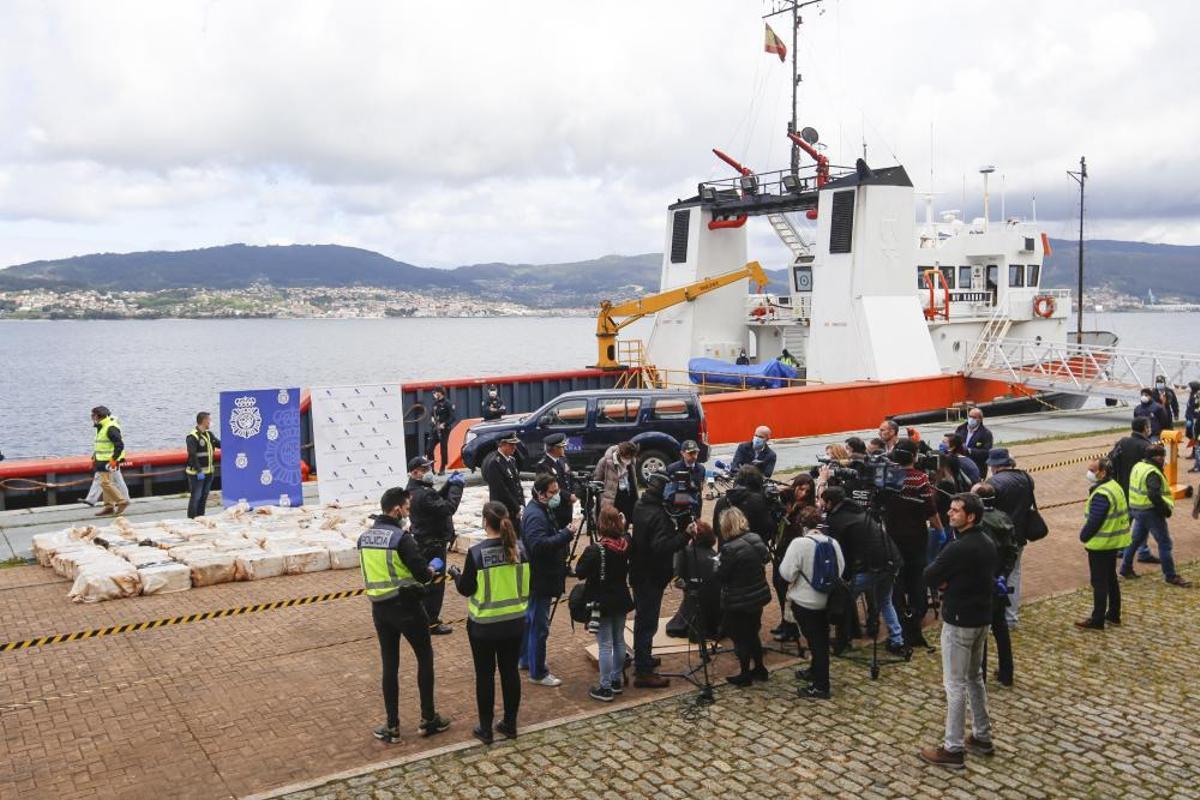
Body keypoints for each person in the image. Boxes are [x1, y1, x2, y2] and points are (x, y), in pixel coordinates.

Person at [358, 487, 450, 744]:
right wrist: (432, 568)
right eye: (407, 509)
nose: (408, 513)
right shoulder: (401, 538)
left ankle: (392, 726)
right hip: (407, 607)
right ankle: (428, 718)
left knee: (390, 665)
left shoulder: (364, 538)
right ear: (397, 509)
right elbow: (422, 574)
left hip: (379, 608)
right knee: (424, 657)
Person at [920, 493, 998, 769]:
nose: (950, 514)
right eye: (950, 510)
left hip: (959, 620)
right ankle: (982, 734)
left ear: (971, 516)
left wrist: (945, 583)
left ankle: (952, 748)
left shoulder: (959, 548)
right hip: (981, 617)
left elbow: (929, 575)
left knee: (954, 684)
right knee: (974, 677)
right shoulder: (986, 542)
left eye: (955, 511)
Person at [451, 501, 528, 744]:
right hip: (514, 622)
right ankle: (510, 724)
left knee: (485, 676)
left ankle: (485, 729)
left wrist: (455, 575)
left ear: (485, 522)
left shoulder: (477, 553)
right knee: (510, 673)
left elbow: (466, 589)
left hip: (483, 626)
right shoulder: (520, 550)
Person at [821, 485, 905, 654]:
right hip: (891, 560)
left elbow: (841, 552)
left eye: (823, 502)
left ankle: (843, 640)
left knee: (843, 600)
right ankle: (897, 640)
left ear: (830, 502)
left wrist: (844, 577)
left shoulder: (836, 520)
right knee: (885, 601)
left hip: (871, 566)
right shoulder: (858, 511)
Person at [629, 472, 690, 688]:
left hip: (640, 571)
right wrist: (685, 535)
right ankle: (643, 671)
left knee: (643, 620)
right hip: (651, 575)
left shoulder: (640, 505)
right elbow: (662, 547)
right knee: (647, 623)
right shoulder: (659, 515)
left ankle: (643, 658)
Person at [779, 505, 846, 699]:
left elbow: (786, 573)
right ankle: (814, 670)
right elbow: (840, 568)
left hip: (805, 601)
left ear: (802, 525)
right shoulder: (832, 542)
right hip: (827, 599)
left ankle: (821, 686)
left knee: (817, 643)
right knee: (819, 639)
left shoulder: (799, 544)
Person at [883, 440, 941, 649]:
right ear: (914, 456)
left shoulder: (888, 477)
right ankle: (917, 613)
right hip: (916, 536)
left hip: (892, 535)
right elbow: (930, 510)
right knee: (917, 576)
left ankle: (900, 613)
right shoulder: (920, 478)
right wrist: (940, 529)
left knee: (897, 578)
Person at [518, 474, 575, 686]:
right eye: (553, 492)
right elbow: (539, 546)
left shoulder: (540, 509)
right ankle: (538, 672)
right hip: (540, 578)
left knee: (531, 621)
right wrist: (565, 535)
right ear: (541, 494)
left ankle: (527, 659)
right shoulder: (535, 515)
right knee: (539, 625)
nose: (556, 495)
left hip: (540, 577)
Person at [574, 506, 635, 702]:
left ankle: (605, 686)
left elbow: (580, 572)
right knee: (619, 641)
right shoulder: (625, 544)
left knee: (605, 645)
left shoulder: (595, 550)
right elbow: (627, 536)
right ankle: (616, 679)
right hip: (621, 597)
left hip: (602, 601)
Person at [406, 456, 465, 635]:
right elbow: (448, 508)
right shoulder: (423, 494)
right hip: (433, 544)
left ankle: (421, 618)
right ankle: (431, 622)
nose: (429, 472)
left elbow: (436, 499)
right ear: (415, 472)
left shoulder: (413, 489)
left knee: (424, 581)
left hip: (423, 541)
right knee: (435, 585)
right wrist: (457, 487)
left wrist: (447, 484)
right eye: (424, 470)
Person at [715, 507, 771, 686]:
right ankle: (760, 668)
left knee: (740, 636)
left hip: (738, 598)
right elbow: (766, 558)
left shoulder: (729, 548)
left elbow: (722, 575)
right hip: (757, 594)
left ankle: (745, 673)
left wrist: (716, 565)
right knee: (753, 633)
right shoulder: (755, 538)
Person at [1120, 445, 1191, 586]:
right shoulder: (1152, 472)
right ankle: (1170, 575)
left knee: (1135, 540)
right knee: (1165, 543)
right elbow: (1153, 494)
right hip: (1150, 511)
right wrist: (1164, 509)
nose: (1164, 459)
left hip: (1136, 508)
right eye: (1162, 456)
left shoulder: (1139, 466)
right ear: (1156, 457)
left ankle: (1125, 568)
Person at [1074, 458, 1131, 630]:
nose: (1089, 473)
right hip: (1113, 541)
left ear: (1103, 472)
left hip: (1101, 543)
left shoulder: (1102, 493)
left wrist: (1084, 536)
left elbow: (1095, 520)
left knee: (1099, 582)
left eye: (1092, 470)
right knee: (1111, 579)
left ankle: (1097, 619)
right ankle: (1113, 614)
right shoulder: (1114, 486)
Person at [985, 448, 1038, 630]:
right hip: (1019, 534)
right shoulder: (1026, 478)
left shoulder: (993, 483)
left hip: (997, 537)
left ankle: (993, 618)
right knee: (1014, 574)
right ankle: (1011, 617)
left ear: (994, 466)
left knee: (993, 576)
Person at [972, 483, 1018, 687]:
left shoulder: (979, 523)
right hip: (999, 580)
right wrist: (1004, 575)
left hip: (983, 583)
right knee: (1000, 628)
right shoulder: (1004, 518)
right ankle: (1007, 672)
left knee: (980, 633)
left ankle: (979, 677)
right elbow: (1012, 552)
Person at [769, 474, 815, 643]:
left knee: (786, 590)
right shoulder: (789, 501)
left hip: (792, 553)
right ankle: (785, 621)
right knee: (778, 585)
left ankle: (791, 628)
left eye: (807, 491)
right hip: (781, 549)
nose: (803, 493)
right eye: (800, 489)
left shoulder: (805, 510)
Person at [1108, 418, 1160, 565]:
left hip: (1123, 487)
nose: (1150, 429)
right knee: (1142, 522)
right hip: (1140, 491)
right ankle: (1142, 551)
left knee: (1126, 520)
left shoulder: (1122, 442)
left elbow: (1111, 459)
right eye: (1148, 426)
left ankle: (1121, 548)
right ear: (1145, 428)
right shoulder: (1147, 447)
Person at [665, 520, 721, 641]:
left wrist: (687, 584)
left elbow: (677, 579)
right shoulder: (715, 554)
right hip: (715, 609)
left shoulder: (686, 551)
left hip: (696, 602)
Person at [713, 465, 775, 543]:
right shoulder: (758, 501)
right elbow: (768, 528)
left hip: (725, 548)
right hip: (753, 548)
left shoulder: (721, 501)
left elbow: (716, 530)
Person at [89, 406, 129, 517]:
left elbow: (119, 445)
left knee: (104, 483)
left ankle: (122, 501)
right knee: (106, 482)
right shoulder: (101, 426)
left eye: (93, 415)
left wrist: (114, 459)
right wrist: (95, 456)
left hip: (108, 460)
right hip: (101, 459)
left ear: (98, 416)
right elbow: (101, 445)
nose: (92, 417)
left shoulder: (110, 427)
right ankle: (109, 507)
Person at [483, 434, 524, 532]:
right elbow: (501, 490)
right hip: (504, 511)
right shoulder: (495, 463)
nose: (514, 447)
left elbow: (517, 485)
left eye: (515, 444)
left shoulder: (512, 460)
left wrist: (522, 504)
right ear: (502, 444)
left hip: (515, 511)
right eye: (511, 445)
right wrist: (517, 508)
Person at [534, 433, 575, 529]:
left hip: (567, 505)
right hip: (555, 505)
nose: (564, 449)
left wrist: (573, 493)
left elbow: (569, 478)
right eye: (562, 447)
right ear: (554, 449)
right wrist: (568, 496)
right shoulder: (543, 465)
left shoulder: (563, 459)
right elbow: (550, 487)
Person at [185, 411, 220, 519]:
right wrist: (199, 471)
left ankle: (201, 517)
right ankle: (191, 518)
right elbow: (192, 455)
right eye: (209, 420)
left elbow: (219, 444)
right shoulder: (193, 437)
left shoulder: (209, 434)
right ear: (204, 421)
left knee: (204, 496)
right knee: (196, 496)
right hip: (196, 474)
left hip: (209, 472)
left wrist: (234, 441)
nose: (210, 422)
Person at [594, 441, 639, 523]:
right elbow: (597, 481)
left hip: (627, 495)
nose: (628, 460)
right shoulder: (605, 462)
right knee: (611, 523)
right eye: (626, 457)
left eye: (630, 457)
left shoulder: (631, 462)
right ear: (620, 454)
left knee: (625, 521)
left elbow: (633, 479)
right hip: (611, 498)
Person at [666, 439, 706, 517]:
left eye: (696, 453)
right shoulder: (672, 469)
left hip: (694, 511)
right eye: (690, 453)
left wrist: (697, 516)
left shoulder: (701, 469)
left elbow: (699, 493)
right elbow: (668, 494)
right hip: (676, 510)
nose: (694, 456)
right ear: (682, 453)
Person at [426, 387, 456, 475]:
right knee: (429, 449)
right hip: (435, 428)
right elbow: (432, 415)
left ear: (440, 393)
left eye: (436, 392)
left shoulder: (448, 403)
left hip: (444, 429)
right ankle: (431, 468)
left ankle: (442, 467)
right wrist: (432, 420)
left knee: (443, 448)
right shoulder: (435, 404)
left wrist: (444, 424)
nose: (434, 394)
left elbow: (453, 417)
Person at [954, 408, 993, 476]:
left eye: (974, 417)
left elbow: (986, 453)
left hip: (976, 468)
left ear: (980, 419)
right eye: (970, 416)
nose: (971, 419)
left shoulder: (986, 433)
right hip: (960, 466)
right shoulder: (960, 429)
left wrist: (970, 451)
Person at [1185, 380, 1200, 472]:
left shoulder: (1196, 397)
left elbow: (1194, 409)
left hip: (1195, 420)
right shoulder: (1192, 395)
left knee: (1195, 439)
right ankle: (1194, 453)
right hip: (1192, 419)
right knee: (1192, 437)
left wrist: (1191, 419)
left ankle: (1197, 463)